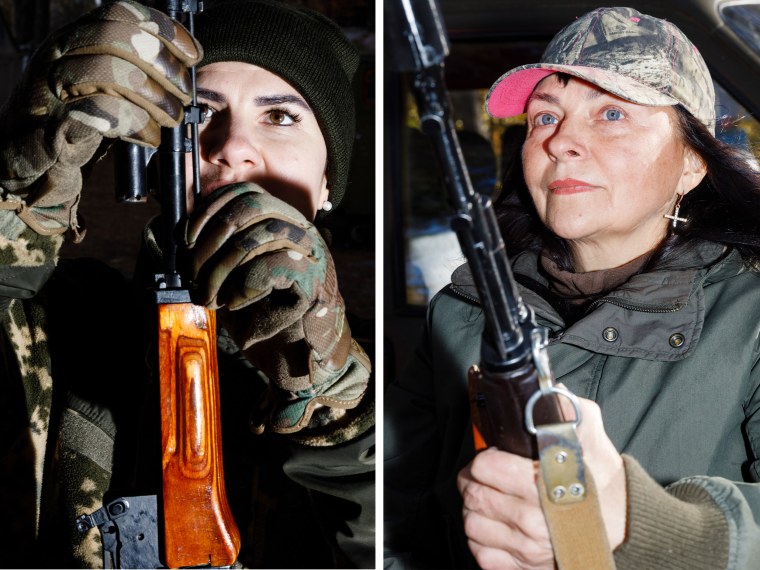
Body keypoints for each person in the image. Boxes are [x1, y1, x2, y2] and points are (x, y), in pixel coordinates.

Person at [0, 0, 374, 567]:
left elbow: (403, 540)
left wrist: (335, 405)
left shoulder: (388, 378)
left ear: (328, 183)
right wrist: (15, 206)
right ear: (156, 164)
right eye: (199, 112)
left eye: (281, 117)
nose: (231, 147)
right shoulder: (66, 321)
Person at [384, 6, 760, 570]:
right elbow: (394, 514)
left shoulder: (750, 321)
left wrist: (646, 525)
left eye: (611, 113)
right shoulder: (460, 315)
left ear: (691, 164)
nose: (561, 143)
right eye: (543, 118)